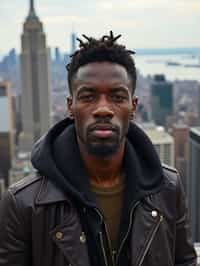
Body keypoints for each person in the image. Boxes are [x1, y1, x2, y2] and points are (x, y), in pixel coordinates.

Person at [0, 31, 197, 266]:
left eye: (117, 96)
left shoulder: (169, 187)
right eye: (88, 96)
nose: (103, 109)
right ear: (70, 106)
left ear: (133, 106)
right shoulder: (23, 203)